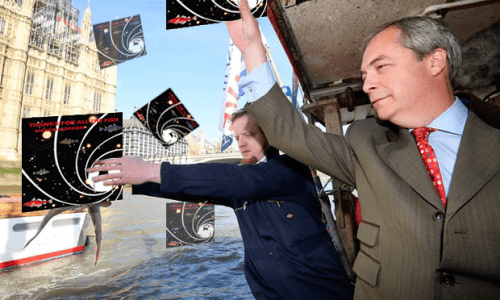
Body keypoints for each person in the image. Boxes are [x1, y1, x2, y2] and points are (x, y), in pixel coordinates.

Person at [226, 0, 500, 299]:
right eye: (364, 75)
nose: (368, 84)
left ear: (435, 61)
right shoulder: (365, 143)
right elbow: (290, 134)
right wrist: (252, 49)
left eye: (380, 66)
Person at [88, 110, 353, 299]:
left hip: (320, 292)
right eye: (237, 137)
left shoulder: (289, 170)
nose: (241, 143)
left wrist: (152, 169)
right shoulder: (241, 185)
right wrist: (127, 184)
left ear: (269, 135)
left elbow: (241, 179)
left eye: (249, 134)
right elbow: (195, 189)